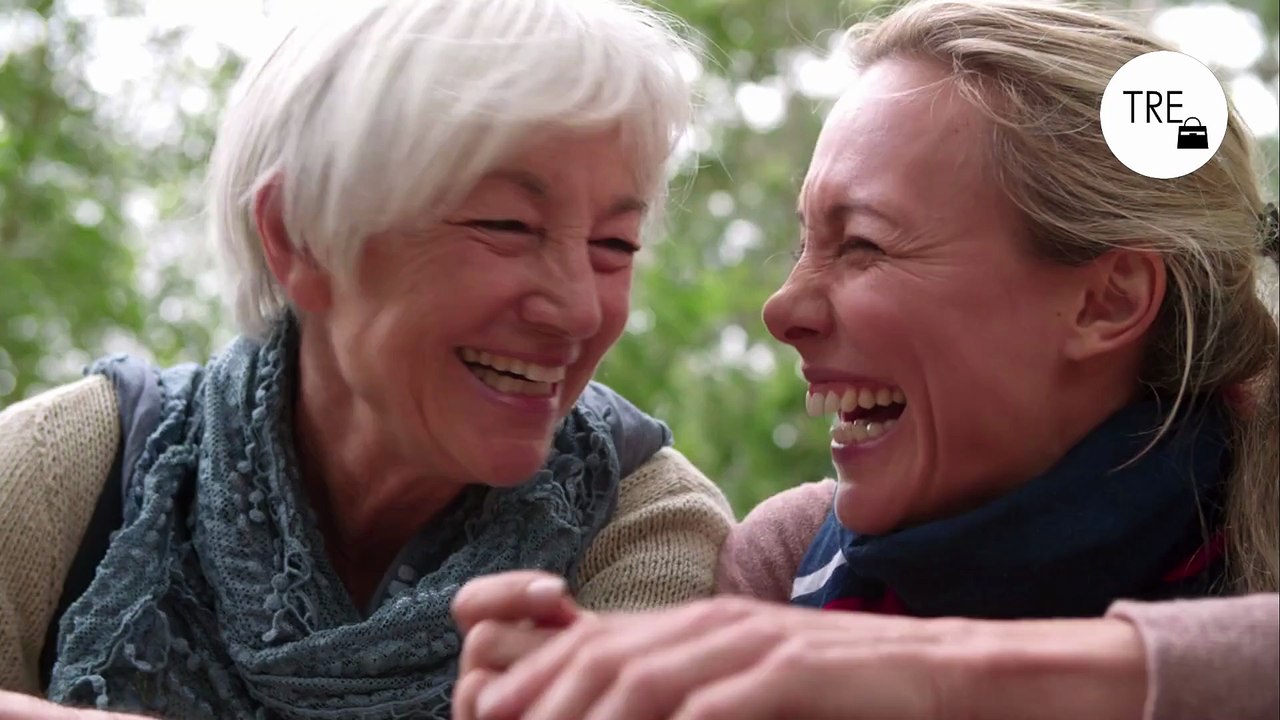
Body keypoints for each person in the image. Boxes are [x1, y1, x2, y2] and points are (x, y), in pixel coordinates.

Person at [449, 0, 1280, 717]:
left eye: (864, 245)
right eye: (805, 241)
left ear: (1109, 301)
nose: (783, 310)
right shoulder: (789, 566)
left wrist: (936, 678)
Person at [0, 1, 735, 717]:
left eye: (615, 245)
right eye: (507, 225)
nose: (579, 309)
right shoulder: (69, 471)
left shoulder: (650, 524)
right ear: (297, 236)